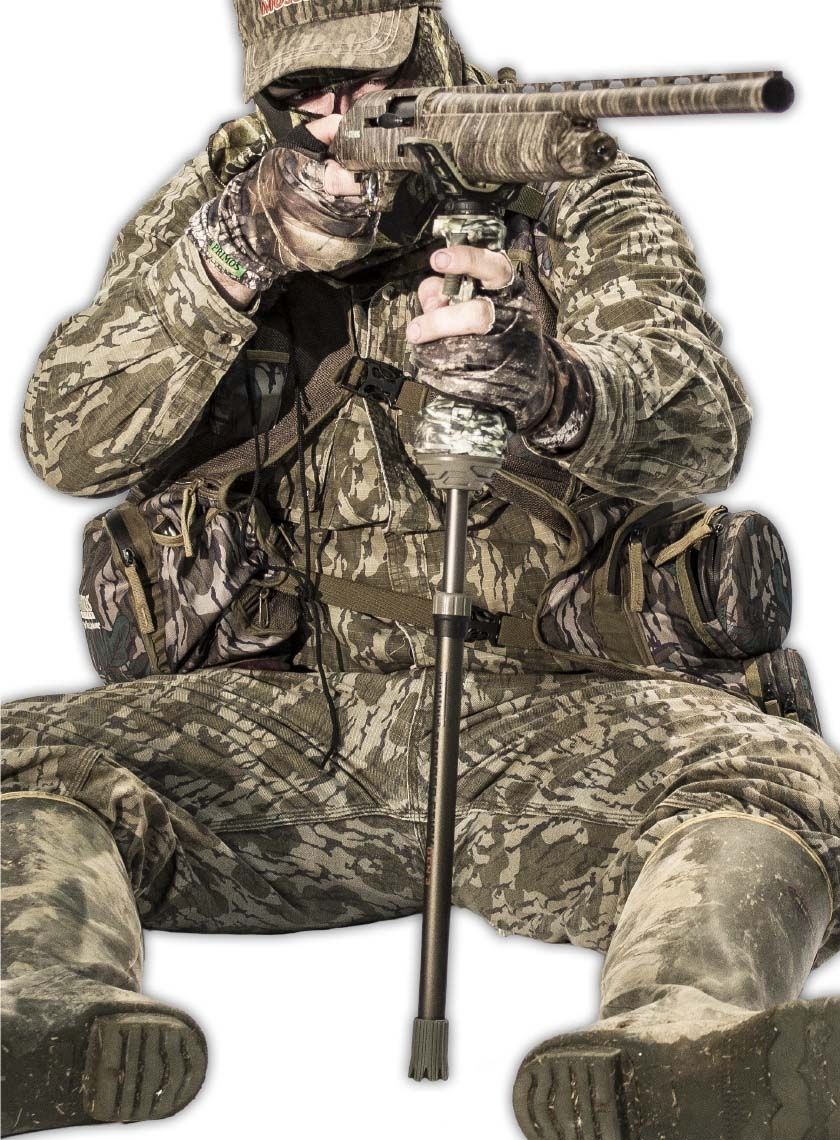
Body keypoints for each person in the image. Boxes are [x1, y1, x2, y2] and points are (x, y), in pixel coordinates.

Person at [2, 1, 838, 1137]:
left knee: (780, 778)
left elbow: (697, 417)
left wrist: (550, 385)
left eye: (366, 76)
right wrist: (236, 256)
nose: (336, 113)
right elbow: (66, 442)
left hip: (551, 729)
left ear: (428, 41)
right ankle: (41, 1012)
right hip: (284, 730)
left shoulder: (567, 181)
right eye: (300, 91)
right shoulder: (235, 193)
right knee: (24, 759)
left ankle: (685, 1047)